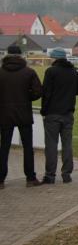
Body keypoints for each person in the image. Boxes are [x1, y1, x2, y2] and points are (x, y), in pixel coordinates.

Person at [41, 48, 78, 184]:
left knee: (51, 145)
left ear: (55, 58)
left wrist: (44, 110)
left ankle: (50, 175)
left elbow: (46, 93)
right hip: (68, 113)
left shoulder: (51, 71)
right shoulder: (74, 71)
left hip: (52, 113)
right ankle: (66, 173)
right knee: (67, 144)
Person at [0, 45, 43, 188]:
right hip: (23, 112)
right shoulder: (29, 72)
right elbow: (38, 92)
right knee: (28, 147)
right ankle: (30, 178)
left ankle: (1, 180)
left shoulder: (1, 72)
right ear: (21, 55)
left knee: (4, 147)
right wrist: (26, 97)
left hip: (5, 113)